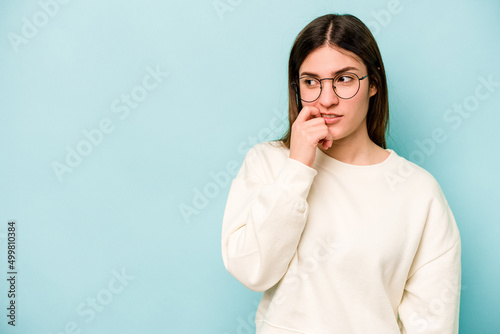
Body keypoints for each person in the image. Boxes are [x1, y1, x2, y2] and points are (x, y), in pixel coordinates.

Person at [221, 13, 461, 334]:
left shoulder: (418, 192)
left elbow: (433, 322)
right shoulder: (269, 163)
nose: (327, 99)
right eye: (311, 82)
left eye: (344, 79)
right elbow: (252, 269)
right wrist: (298, 167)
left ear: (373, 83)